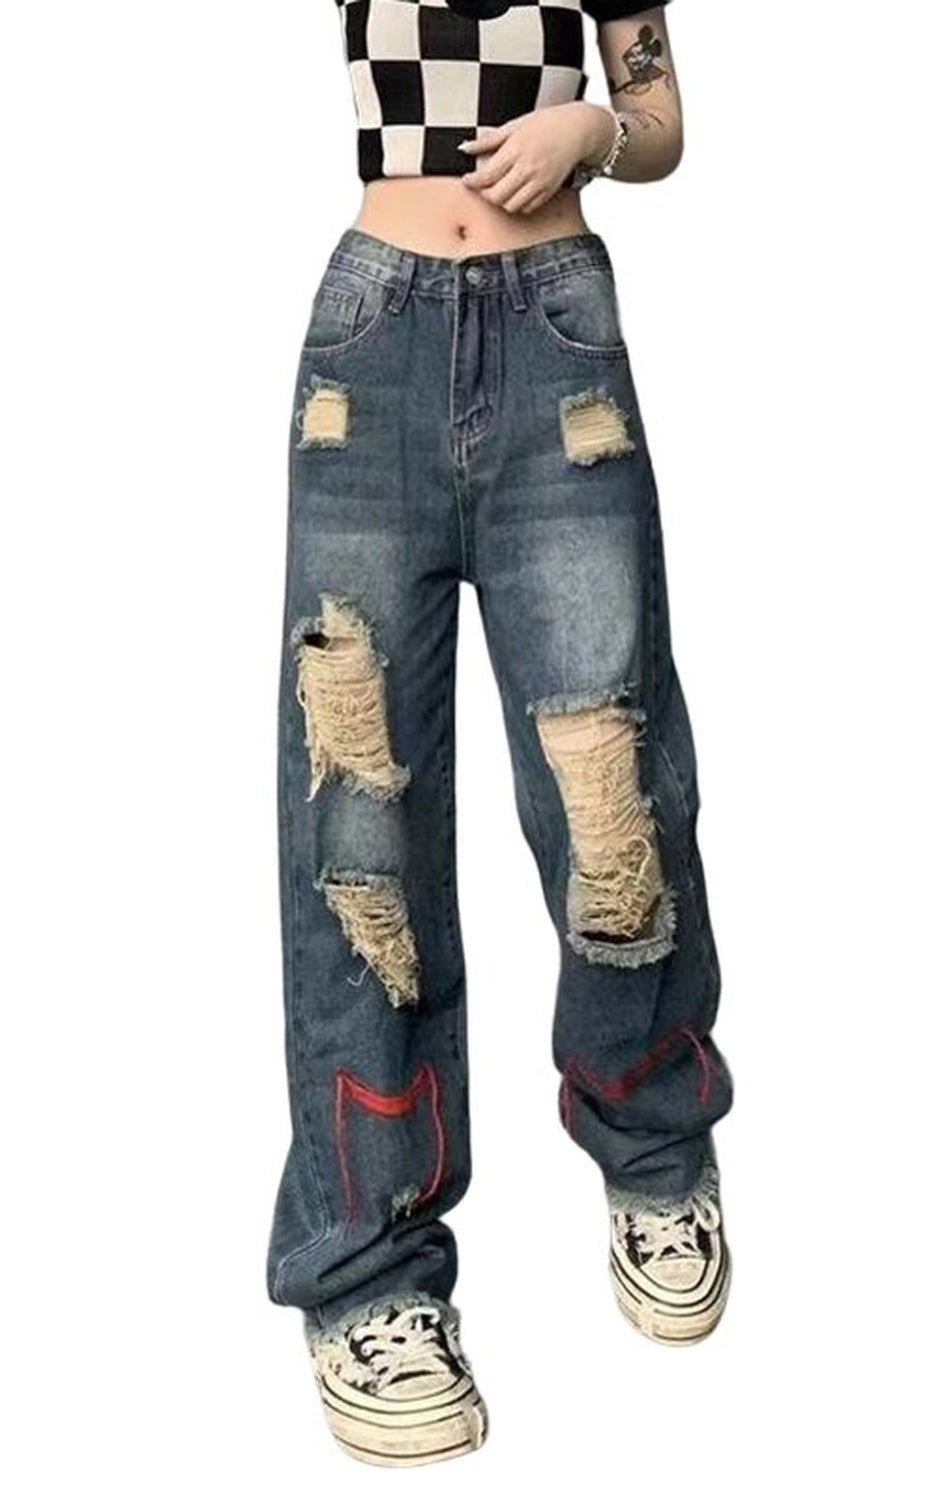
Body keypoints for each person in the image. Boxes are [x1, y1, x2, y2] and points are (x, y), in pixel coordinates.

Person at [266, 0, 734, 1467]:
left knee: (614, 786)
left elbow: (660, 118)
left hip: (558, 337)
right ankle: (369, 1271)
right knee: (359, 819)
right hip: (375, 333)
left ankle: (653, 1144)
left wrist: (595, 127)